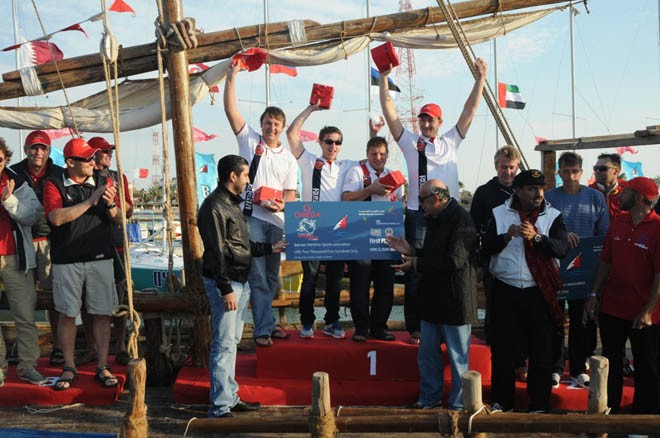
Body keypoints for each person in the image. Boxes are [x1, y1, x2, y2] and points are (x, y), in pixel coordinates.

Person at [379, 58, 487, 344]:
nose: (426, 123)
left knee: (448, 268)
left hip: (449, 217)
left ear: (439, 123)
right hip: (418, 214)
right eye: (422, 119)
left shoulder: (451, 141)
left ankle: (446, 322)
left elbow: (470, 110)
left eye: (431, 119)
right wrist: (383, 79)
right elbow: (389, 114)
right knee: (416, 271)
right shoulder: (409, 142)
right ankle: (417, 327)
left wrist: (480, 80)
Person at [198, 154, 287, 418]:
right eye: (246, 175)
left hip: (240, 281)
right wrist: (225, 289)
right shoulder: (213, 207)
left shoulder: (232, 205)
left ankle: (229, 395)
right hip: (226, 284)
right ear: (233, 176)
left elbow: (241, 246)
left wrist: (270, 248)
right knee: (224, 343)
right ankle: (220, 404)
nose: (249, 180)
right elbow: (215, 252)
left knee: (232, 341)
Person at [386, 179, 477, 410]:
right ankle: (429, 399)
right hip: (433, 299)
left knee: (458, 358)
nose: (420, 205)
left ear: (436, 199)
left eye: (422, 200)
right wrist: (412, 250)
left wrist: (416, 263)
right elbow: (434, 254)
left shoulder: (462, 220)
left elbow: (455, 260)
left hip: (456, 300)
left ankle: (458, 405)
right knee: (427, 355)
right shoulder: (434, 218)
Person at [483, 169, 569, 413]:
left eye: (541, 188)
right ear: (518, 191)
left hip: (538, 291)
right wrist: (505, 237)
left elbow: (561, 248)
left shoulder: (553, 215)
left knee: (541, 351)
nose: (538, 194)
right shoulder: (498, 213)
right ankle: (503, 401)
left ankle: (539, 403)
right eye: (532, 189)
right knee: (503, 349)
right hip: (506, 288)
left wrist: (538, 238)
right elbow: (484, 248)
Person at [224, 63, 297, 347]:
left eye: (276, 125)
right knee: (257, 277)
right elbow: (231, 111)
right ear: (262, 124)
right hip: (252, 219)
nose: (271, 128)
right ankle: (262, 330)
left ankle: (265, 325)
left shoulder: (288, 159)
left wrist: (281, 204)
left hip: (276, 223)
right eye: (268, 123)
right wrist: (233, 76)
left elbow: (291, 194)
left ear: (282, 128)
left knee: (270, 276)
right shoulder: (250, 140)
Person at [42, 138, 121, 391]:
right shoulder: (53, 184)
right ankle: (69, 365)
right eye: (87, 158)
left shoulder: (103, 181)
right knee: (67, 314)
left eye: (93, 157)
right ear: (70, 163)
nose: (92, 162)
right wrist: (90, 201)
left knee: (101, 313)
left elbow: (118, 219)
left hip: (100, 257)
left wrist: (109, 203)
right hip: (67, 260)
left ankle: (102, 364)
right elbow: (55, 218)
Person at [585, 176, 660, 414]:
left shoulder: (658, 228)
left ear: (638, 198)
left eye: (625, 192)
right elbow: (605, 261)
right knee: (610, 362)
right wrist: (594, 293)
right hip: (612, 308)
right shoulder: (617, 221)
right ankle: (610, 411)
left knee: (647, 367)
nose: (620, 195)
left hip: (644, 314)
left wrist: (648, 310)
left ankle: (643, 419)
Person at [286, 104, 356, 339]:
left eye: (337, 142)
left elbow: (374, 160)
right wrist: (311, 108)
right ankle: (307, 323)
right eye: (328, 141)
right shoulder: (308, 160)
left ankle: (332, 321)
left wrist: (373, 129)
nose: (333, 146)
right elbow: (291, 134)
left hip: (336, 229)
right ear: (320, 142)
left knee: (335, 281)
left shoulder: (347, 166)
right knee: (310, 279)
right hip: (311, 227)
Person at [545, 152, 609, 389]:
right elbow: (542, 228)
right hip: (556, 266)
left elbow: (604, 232)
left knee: (584, 319)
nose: (570, 176)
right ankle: (556, 367)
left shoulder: (595, 197)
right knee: (555, 318)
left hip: (587, 268)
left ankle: (579, 367)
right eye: (565, 171)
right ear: (558, 173)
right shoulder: (549, 197)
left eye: (574, 171)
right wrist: (563, 236)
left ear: (581, 173)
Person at [10, 130, 65, 367]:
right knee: (22, 298)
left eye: (43, 147)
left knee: (54, 297)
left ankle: (60, 347)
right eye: (34, 147)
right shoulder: (14, 172)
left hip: (50, 241)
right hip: (19, 240)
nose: (38, 152)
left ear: (49, 150)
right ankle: (25, 348)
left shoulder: (58, 173)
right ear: (26, 150)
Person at [343, 136, 404, 342]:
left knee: (385, 285)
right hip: (360, 236)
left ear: (387, 154)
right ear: (367, 154)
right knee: (359, 285)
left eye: (381, 154)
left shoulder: (393, 176)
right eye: (373, 154)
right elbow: (346, 198)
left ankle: (379, 327)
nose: (378, 158)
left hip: (386, 238)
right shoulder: (357, 172)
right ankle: (361, 328)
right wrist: (371, 189)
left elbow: (399, 206)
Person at [0, 137, 46, 387]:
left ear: (5, 159)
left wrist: (9, 200)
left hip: (15, 257)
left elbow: (32, 215)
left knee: (25, 314)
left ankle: (28, 366)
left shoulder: (18, 183)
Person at [90, 136, 134, 366]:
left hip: (116, 243)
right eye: (104, 151)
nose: (108, 154)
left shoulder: (119, 177)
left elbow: (128, 212)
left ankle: (120, 346)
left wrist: (113, 200)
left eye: (110, 151)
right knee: (90, 300)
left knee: (122, 297)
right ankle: (92, 347)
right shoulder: (85, 177)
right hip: (90, 243)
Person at [589, 153, 623, 219]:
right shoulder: (588, 193)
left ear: (616, 171)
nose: (597, 171)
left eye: (603, 168)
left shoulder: (626, 193)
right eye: (595, 168)